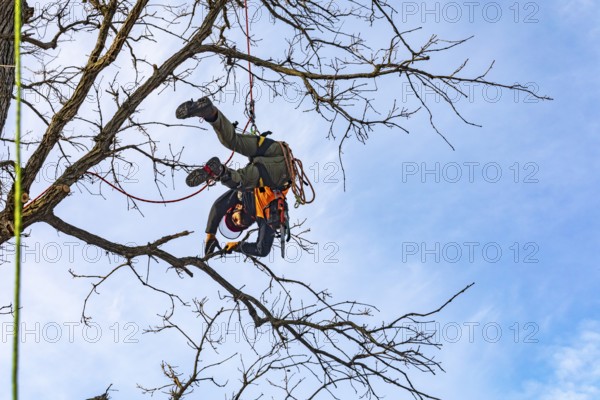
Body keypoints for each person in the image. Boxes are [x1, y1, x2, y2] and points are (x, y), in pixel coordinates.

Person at [175, 97, 291, 258]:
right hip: (279, 174)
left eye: (234, 220)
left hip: (275, 150)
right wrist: (237, 246)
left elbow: (218, 206)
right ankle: (219, 171)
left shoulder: (239, 198)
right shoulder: (262, 218)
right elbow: (262, 250)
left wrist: (210, 234)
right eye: (238, 226)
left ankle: (209, 113)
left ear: (234, 209)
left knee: (232, 142)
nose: (239, 223)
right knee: (241, 182)